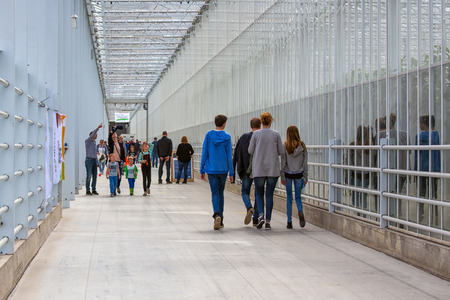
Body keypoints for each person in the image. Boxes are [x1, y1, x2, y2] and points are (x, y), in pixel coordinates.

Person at [248, 112, 284, 230]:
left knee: (259, 193)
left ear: (261, 122)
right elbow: (281, 151)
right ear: (270, 121)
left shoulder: (256, 134)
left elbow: (250, 150)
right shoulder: (276, 134)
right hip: (273, 169)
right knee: (269, 194)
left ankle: (261, 215)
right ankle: (268, 221)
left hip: (259, 169)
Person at [200, 115, 234, 230]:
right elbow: (229, 156)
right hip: (223, 169)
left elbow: (205, 152)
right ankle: (221, 218)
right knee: (221, 193)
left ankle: (217, 215)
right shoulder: (227, 137)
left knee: (214, 193)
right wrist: (231, 173)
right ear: (224, 124)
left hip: (211, 169)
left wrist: (201, 169)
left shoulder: (209, 135)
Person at [232, 117, 260, 226]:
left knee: (244, 192)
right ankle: (256, 218)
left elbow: (236, 155)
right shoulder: (262, 137)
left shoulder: (243, 138)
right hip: (259, 171)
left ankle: (249, 207)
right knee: (258, 193)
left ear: (250, 125)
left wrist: (235, 173)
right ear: (260, 125)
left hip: (246, 171)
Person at [281, 125, 308, 229]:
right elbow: (305, 163)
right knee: (297, 197)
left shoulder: (285, 146)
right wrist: (305, 177)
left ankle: (289, 221)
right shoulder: (302, 146)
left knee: (289, 198)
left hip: (288, 174)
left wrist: (282, 176)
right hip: (299, 174)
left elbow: (283, 162)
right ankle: (300, 211)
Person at [415, 115, 440, 222]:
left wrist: (416, 170)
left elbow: (417, 155)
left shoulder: (419, 136)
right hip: (433, 168)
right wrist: (438, 169)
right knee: (434, 193)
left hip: (422, 169)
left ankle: (421, 216)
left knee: (421, 194)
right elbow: (437, 154)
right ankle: (436, 216)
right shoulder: (435, 135)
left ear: (423, 124)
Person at [349, 125, 375, 214]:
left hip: (356, 173)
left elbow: (350, 161)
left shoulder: (353, 145)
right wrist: (372, 176)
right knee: (363, 195)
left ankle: (357, 211)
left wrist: (349, 174)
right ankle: (363, 213)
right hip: (366, 174)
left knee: (355, 194)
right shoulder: (370, 147)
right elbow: (372, 162)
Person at [85, 124, 102, 195]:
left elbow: (95, 153)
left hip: (94, 160)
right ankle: (88, 190)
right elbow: (92, 135)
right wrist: (97, 128)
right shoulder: (88, 141)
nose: (96, 135)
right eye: (95, 134)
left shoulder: (95, 143)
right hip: (89, 160)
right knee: (89, 175)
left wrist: (97, 162)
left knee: (95, 176)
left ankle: (94, 189)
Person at [109, 129, 126, 194]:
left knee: (119, 175)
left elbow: (123, 153)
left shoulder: (120, 144)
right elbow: (109, 139)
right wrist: (112, 132)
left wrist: (124, 161)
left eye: (115, 133)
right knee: (113, 175)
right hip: (113, 161)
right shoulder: (111, 143)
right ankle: (113, 189)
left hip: (119, 161)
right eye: (114, 134)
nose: (115, 134)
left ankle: (117, 186)